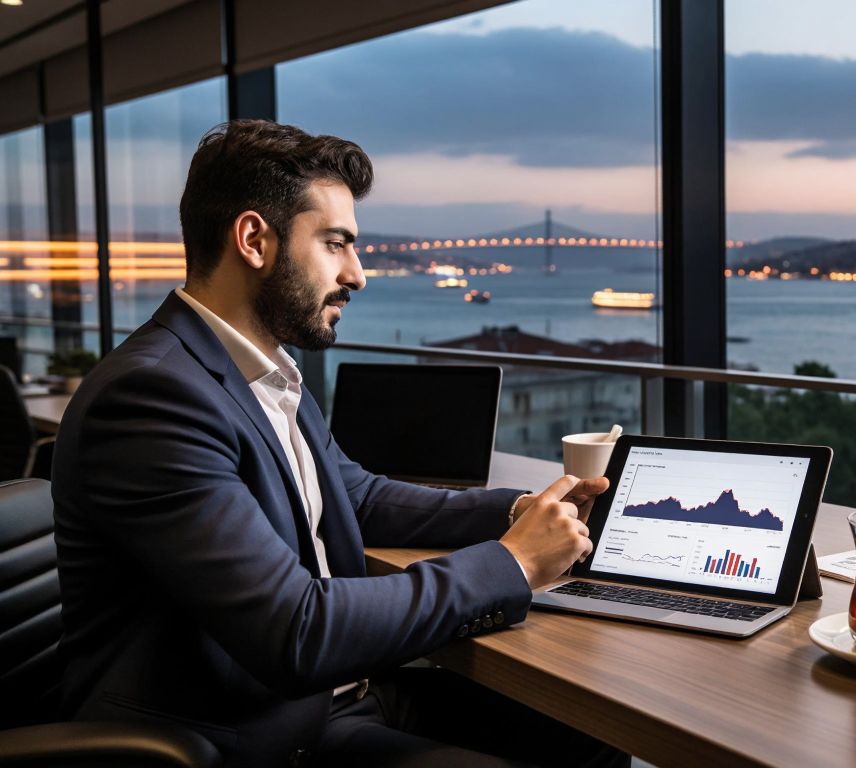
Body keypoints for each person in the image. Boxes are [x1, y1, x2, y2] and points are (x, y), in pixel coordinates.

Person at [51, 120, 625, 767]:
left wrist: (520, 512)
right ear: (253, 240)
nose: (358, 273)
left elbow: (360, 496)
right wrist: (513, 563)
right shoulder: (153, 398)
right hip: (250, 736)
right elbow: (297, 631)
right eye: (336, 244)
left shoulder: (259, 370)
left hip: (339, 697)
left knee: (592, 736)